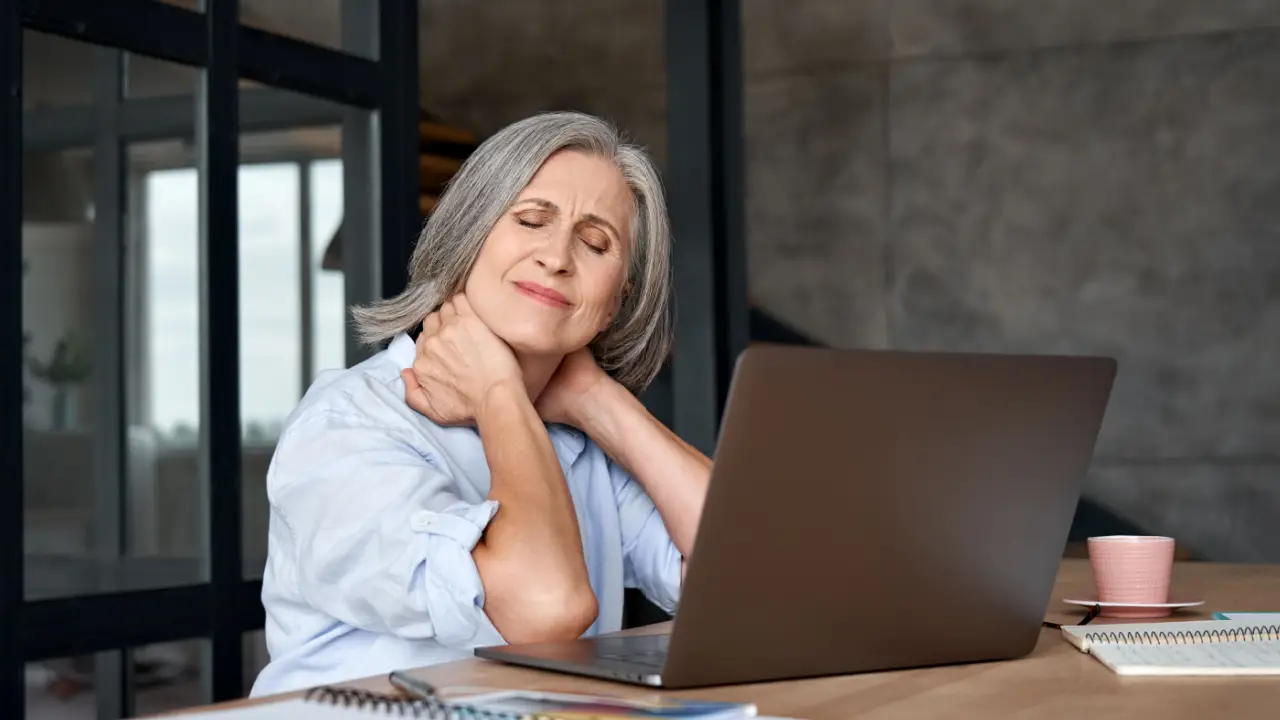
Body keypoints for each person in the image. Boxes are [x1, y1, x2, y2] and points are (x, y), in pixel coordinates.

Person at [250, 111, 711, 696]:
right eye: (531, 220)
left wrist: (601, 402)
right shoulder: (349, 424)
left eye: (596, 242)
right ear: (466, 237)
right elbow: (545, 607)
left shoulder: (580, 441)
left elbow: (758, 579)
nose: (558, 256)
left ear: (618, 299)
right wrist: (499, 391)